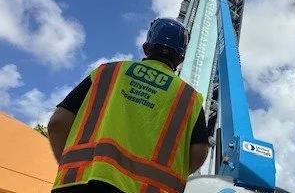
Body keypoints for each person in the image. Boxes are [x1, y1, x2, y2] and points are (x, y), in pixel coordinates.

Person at [48, 18, 209, 193]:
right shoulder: (189, 97)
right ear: (180, 59)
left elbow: (58, 123)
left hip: (79, 184)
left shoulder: (107, 72)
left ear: (147, 47)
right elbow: (199, 152)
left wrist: (68, 164)